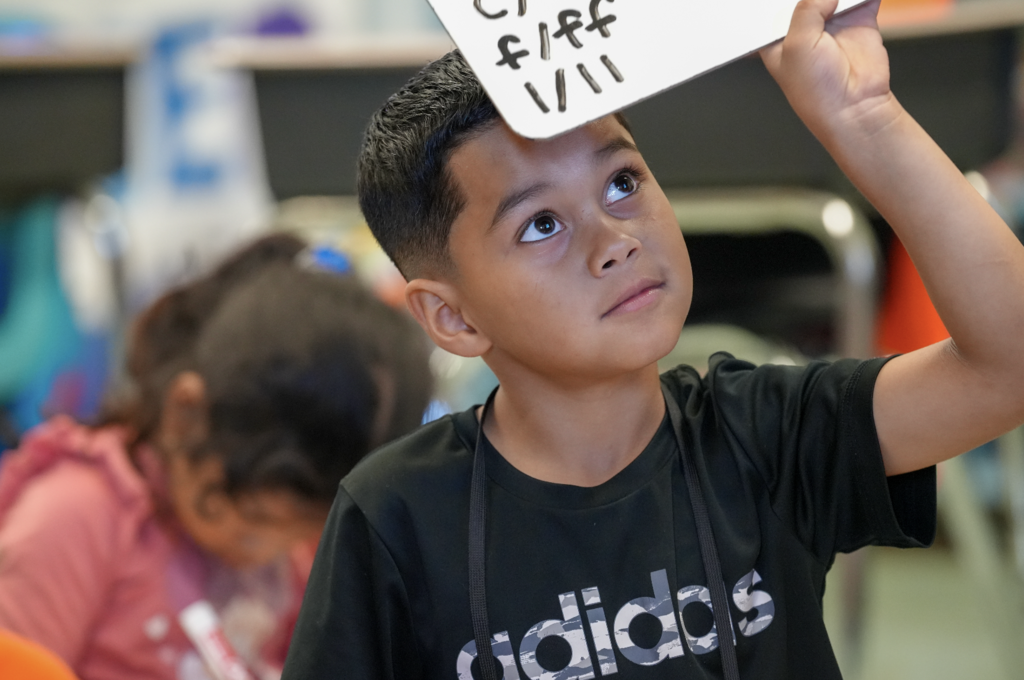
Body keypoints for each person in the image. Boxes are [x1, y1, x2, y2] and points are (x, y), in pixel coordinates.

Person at [281, 0, 1024, 677]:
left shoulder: (765, 435)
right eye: (541, 224)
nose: (615, 240)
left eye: (623, 183)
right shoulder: (395, 516)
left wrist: (863, 115)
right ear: (454, 318)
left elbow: (1008, 367)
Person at [0, 233, 433, 680]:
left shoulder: (292, 548)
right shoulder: (78, 514)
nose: (266, 552)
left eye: (297, 535)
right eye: (254, 525)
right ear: (186, 415)